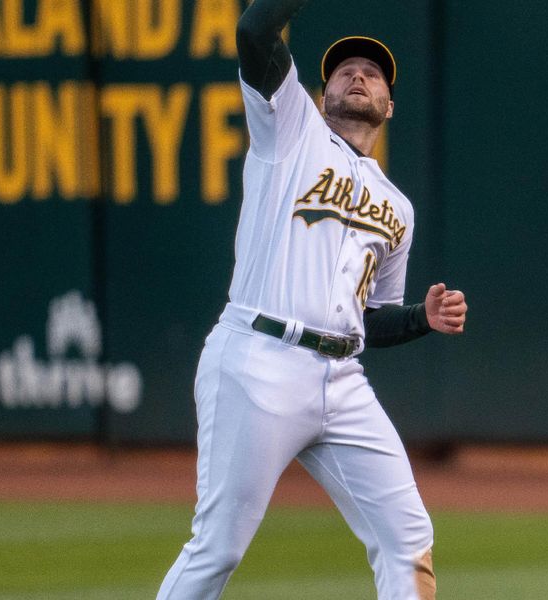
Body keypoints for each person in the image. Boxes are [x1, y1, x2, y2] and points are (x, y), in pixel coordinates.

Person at [156, 1, 467, 598]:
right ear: (320, 95)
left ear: (389, 106)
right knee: (217, 547)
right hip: (258, 359)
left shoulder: (398, 208)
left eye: (373, 74)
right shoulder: (291, 127)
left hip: (342, 378)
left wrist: (420, 320)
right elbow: (253, 29)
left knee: (407, 535)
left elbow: (368, 319)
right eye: (343, 70)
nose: (357, 75)